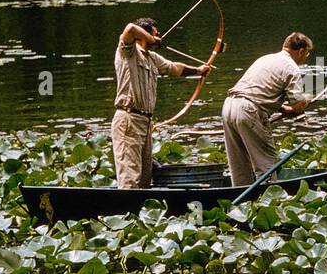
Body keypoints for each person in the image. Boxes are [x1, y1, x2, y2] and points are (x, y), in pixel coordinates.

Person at [111, 17, 211, 189]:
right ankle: (125, 214)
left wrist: (198, 70)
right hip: (129, 120)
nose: (159, 37)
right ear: (145, 35)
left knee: (144, 179)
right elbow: (129, 29)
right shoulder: (128, 51)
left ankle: (141, 214)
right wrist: (151, 39)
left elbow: (174, 68)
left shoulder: (152, 58)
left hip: (145, 122)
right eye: (156, 34)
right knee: (130, 179)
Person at [222, 32, 314, 186]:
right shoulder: (292, 68)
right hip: (249, 111)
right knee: (267, 165)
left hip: (229, 106)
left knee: (239, 166)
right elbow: (297, 104)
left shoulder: (265, 58)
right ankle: (269, 202)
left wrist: (283, 108)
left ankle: (241, 203)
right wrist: (305, 102)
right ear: (301, 51)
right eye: (307, 54)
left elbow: (261, 91)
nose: (306, 58)